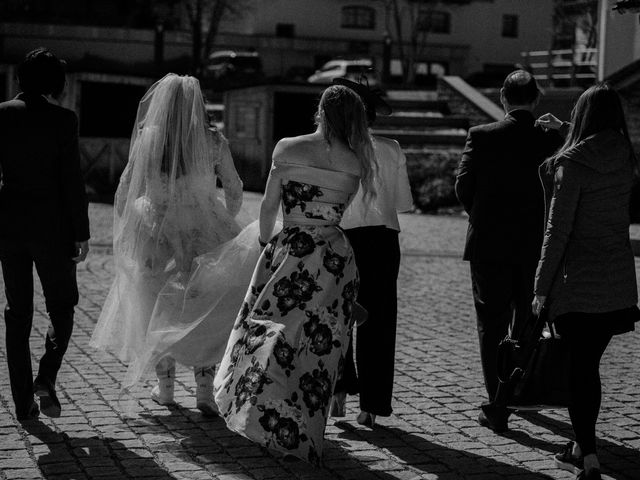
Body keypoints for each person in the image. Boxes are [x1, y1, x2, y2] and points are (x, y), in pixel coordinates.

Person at [213, 85, 376, 464]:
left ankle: (266, 418)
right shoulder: (357, 162)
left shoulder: (287, 147)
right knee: (319, 350)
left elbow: (269, 205)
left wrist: (267, 243)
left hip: (291, 251)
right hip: (334, 260)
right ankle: (304, 435)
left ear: (319, 110)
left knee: (268, 332)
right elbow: (337, 213)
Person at [90, 74, 244, 415]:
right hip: (204, 236)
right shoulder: (215, 141)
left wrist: (128, 224)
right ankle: (205, 393)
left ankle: (166, 390)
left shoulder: (149, 140)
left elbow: (125, 185)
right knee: (206, 311)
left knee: (155, 310)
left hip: (155, 233)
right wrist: (219, 217)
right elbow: (233, 189)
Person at [532, 83, 640, 480]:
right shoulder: (625, 156)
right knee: (588, 365)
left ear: (582, 116)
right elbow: (595, 151)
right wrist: (565, 130)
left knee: (579, 371)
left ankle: (588, 455)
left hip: (576, 282)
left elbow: (556, 231)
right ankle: (580, 446)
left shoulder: (571, 164)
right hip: (616, 283)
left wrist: (540, 287)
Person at [454, 70, 565, 433]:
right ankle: (518, 388)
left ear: (503, 98)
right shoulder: (549, 139)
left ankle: (498, 402)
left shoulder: (481, 136)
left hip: (489, 243)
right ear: (535, 101)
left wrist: (483, 218)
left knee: (491, 323)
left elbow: (463, 186)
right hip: (534, 244)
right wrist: (563, 127)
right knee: (527, 322)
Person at [0, 48, 90, 420]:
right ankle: (46, 376)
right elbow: (72, 181)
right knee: (63, 307)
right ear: (55, 83)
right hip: (52, 229)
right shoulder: (63, 120)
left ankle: (23, 405)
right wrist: (81, 233)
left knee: (17, 314)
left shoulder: (2, 114)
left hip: (9, 227)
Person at [331, 78, 413, 428]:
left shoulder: (333, 150)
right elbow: (403, 204)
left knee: (337, 314)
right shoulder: (391, 149)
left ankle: (339, 388)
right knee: (379, 320)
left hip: (341, 236)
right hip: (382, 238)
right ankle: (373, 405)